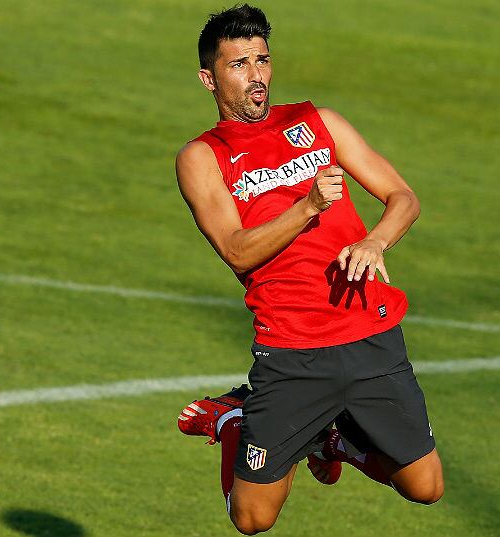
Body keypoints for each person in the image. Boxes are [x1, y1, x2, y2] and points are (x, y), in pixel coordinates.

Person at [175, 4, 444, 535]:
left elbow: (402, 196)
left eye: (262, 59)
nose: (256, 75)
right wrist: (306, 207)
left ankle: (334, 439)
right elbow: (235, 250)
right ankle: (233, 419)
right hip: (292, 352)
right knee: (252, 519)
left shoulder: (319, 122)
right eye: (238, 64)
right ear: (209, 77)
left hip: (370, 335)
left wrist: (375, 241)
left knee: (426, 487)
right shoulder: (203, 156)